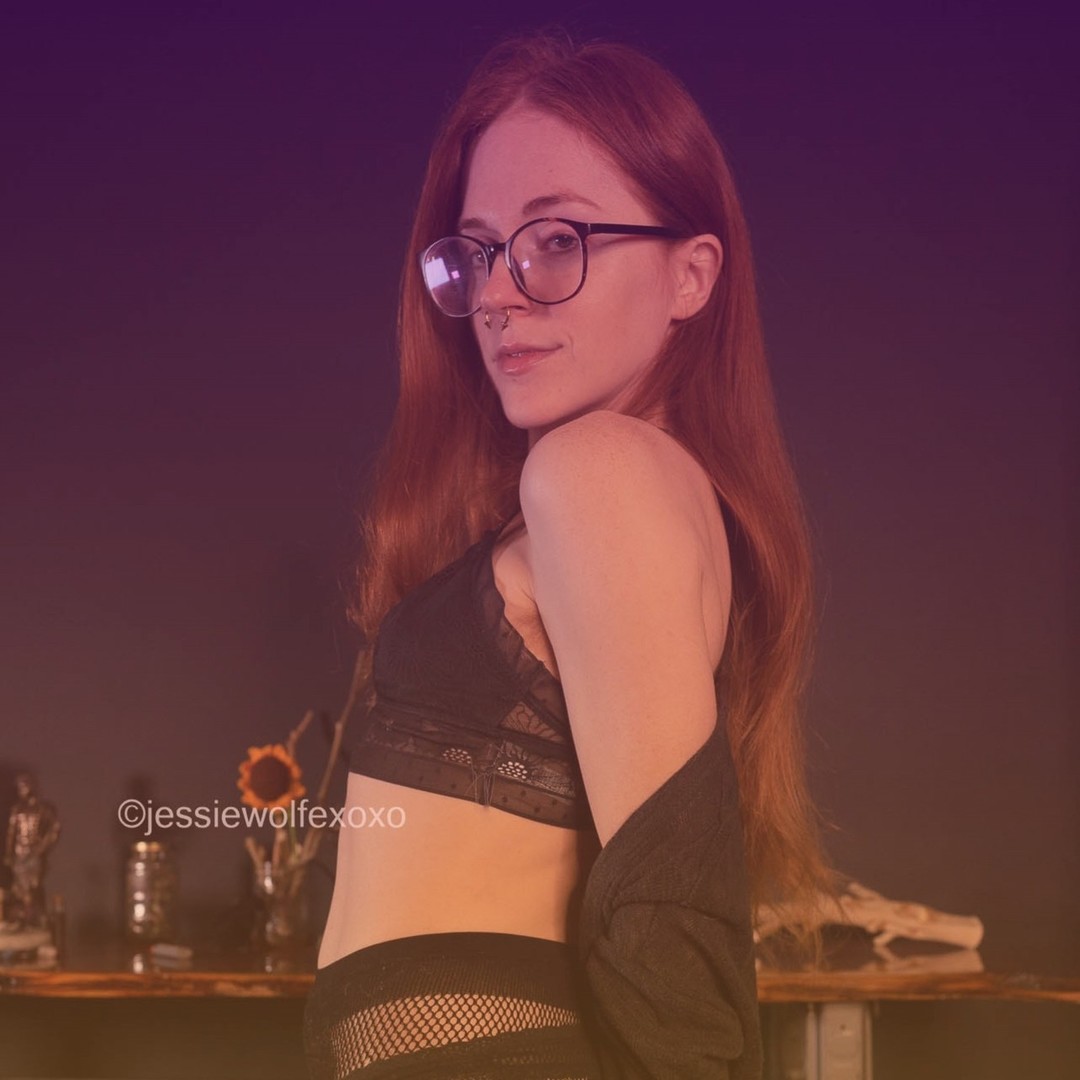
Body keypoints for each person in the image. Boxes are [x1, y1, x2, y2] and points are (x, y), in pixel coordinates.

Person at [305, 32, 829, 1080]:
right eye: (480, 251)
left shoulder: (595, 471)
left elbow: (673, 910)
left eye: (555, 240)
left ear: (691, 275)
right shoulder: (618, 489)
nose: (500, 294)